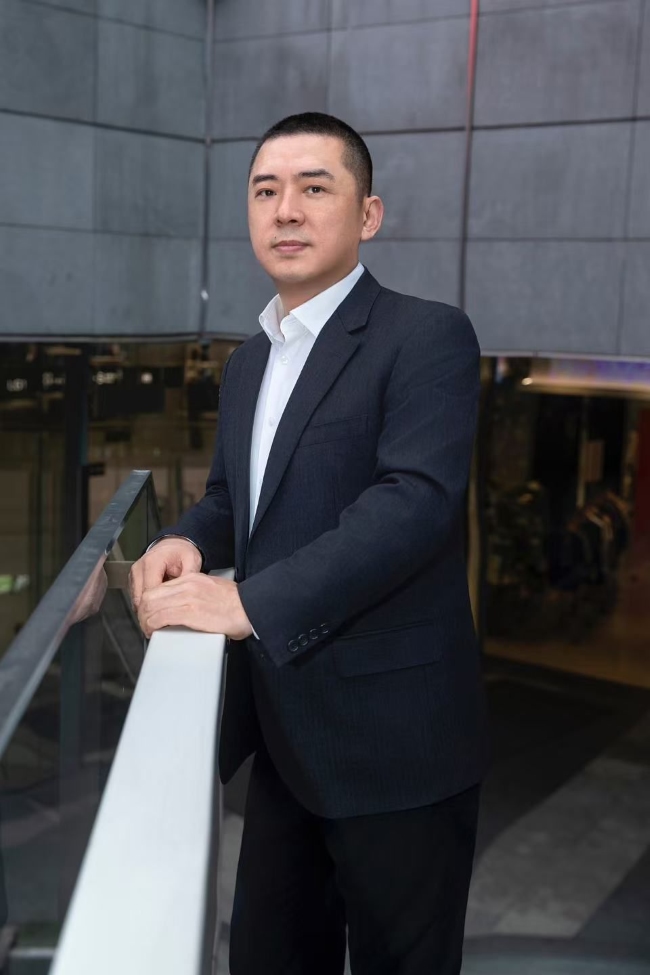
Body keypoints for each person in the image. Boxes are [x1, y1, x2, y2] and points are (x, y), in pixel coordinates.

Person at [129, 112, 488, 975]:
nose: (285, 209)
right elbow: (235, 499)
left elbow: (414, 505)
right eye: (265, 190)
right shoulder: (249, 361)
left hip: (396, 749)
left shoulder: (426, 336)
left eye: (313, 187)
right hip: (286, 744)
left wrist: (245, 601)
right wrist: (183, 538)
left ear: (369, 214)